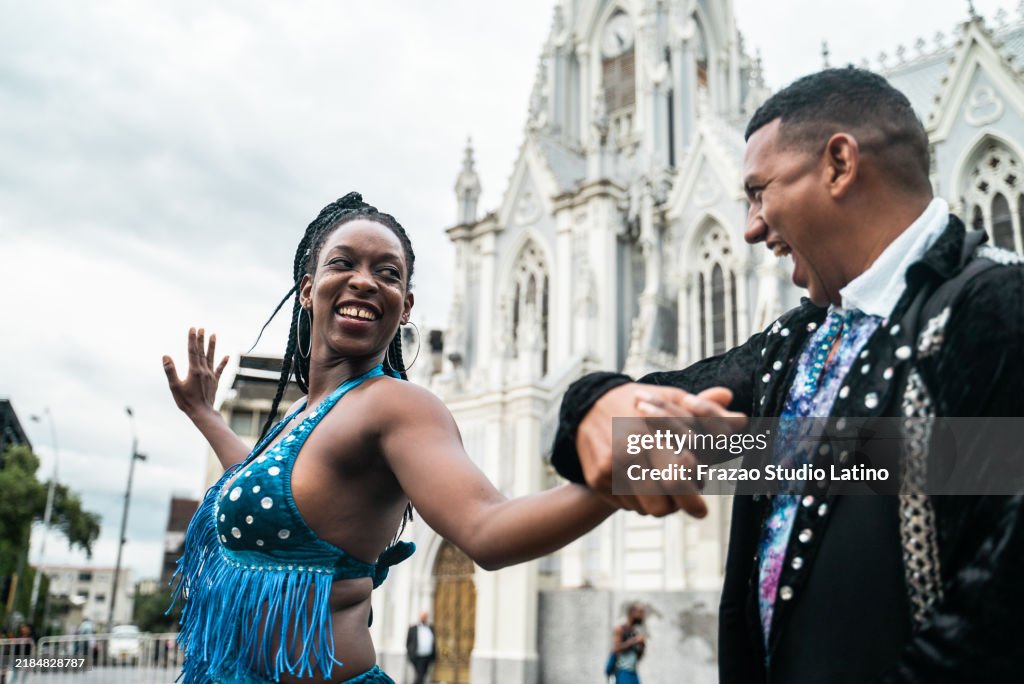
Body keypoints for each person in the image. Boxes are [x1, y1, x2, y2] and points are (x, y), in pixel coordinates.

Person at [550, 67, 1024, 682]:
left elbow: (997, 614)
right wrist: (598, 405)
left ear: (838, 165)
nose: (750, 227)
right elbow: (661, 423)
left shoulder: (994, 310)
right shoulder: (794, 346)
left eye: (758, 191)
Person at [162, 192, 617, 684]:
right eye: (344, 263)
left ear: (405, 307)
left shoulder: (397, 406)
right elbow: (256, 483)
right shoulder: (298, 413)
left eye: (388, 272)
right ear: (307, 288)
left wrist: (629, 471)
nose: (365, 280)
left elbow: (487, 527)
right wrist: (204, 414)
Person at [609, 603, 645, 684]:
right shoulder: (620, 630)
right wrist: (634, 641)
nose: (642, 616)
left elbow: (638, 657)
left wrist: (642, 645)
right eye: (640, 612)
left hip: (633, 672)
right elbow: (616, 648)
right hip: (623, 672)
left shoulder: (635, 633)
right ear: (631, 613)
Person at [404, 611, 435, 684]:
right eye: (422, 616)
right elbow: (408, 642)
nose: (423, 618)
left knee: (423, 674)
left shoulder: (430, 628)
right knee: (420, 674)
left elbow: (434, 641)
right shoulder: (413, 628)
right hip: (417, 656)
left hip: (427, 656)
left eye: (425, 616)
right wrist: (410, 654)